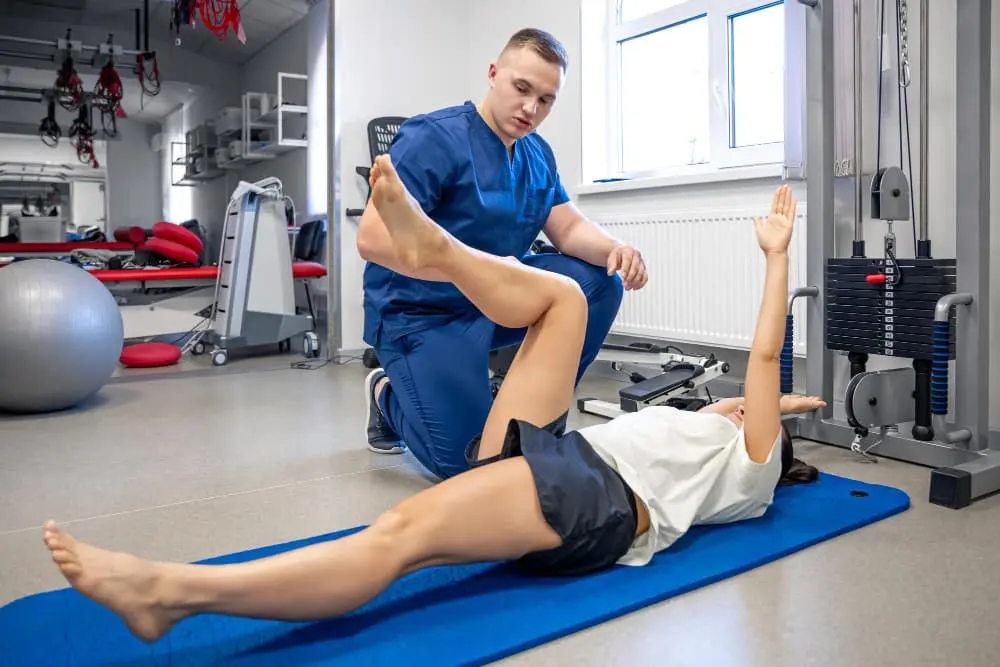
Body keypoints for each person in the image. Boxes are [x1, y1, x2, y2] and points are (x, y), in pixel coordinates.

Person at [42, 157, 822, 645]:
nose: (734, 407)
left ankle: (171, 595)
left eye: (752, 416)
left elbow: (756, 364)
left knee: (399, 536)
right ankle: (438, 252)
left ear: (766, 453)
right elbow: (735, 407)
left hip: (594, 502)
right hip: (566, 461)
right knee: (566, 302)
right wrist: (782, 408)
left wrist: (776, 260)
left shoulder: (750, 474)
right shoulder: (725, 439)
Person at [357, 27, 649, 479]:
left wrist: (617, 248)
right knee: (467, 465)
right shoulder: (434, 138)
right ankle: (386, 395)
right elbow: (372, 240)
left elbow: (567, 226)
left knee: (600, 281)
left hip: (494, 303)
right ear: (494, 74)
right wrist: (484, 269)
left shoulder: (537, 153)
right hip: (422, 313)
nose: (531, 108)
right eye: (522, 89)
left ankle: (528, 402)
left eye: (546, 99)